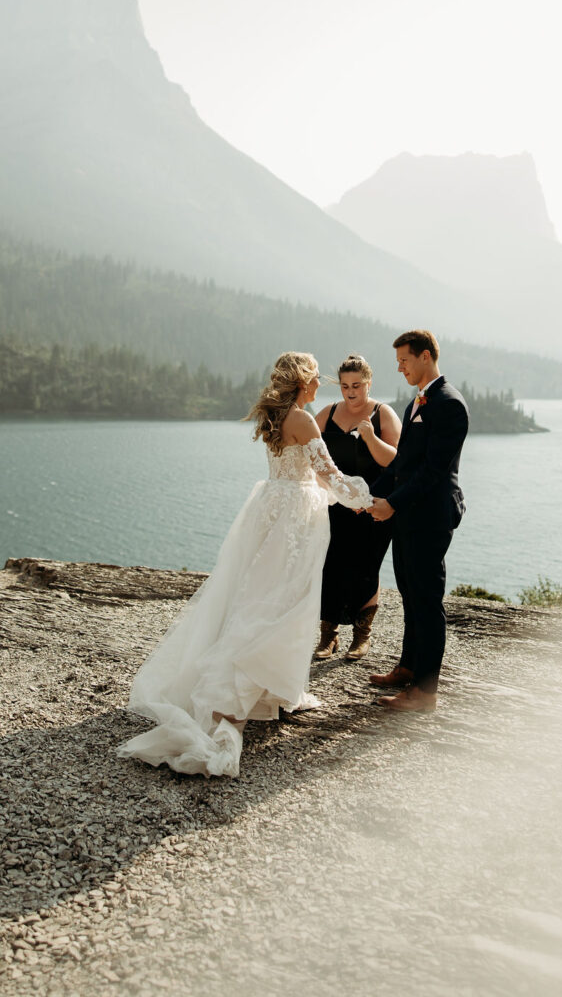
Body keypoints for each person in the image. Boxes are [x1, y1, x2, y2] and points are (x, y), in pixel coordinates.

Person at [117, 352, 372, 777]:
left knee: (258, 592)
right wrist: (368, 501)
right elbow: (330, 476)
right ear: (302, 382)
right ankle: (248, 688)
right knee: (284, 599)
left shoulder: (274, 416)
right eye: (316, 379)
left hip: (271, 506)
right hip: (295, 517)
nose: (320, 385)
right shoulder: (304, 420)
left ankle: (273, 687)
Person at [369, 330, 469, 712]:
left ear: (425, 356)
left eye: (404, 360)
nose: (400, 368)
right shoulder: (419, 401)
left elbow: (432, 471)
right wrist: (368, 493)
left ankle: (425, 692)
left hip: (430, 516)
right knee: (410, 595)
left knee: (427, 602)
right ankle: (408, 667)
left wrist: (391, 503)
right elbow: (401, 464)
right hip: (408, 515)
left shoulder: (450, 404)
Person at [313, 355, 402, 660]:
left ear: (368, 383)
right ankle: (329, 635)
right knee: (330, 566)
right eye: (344, 386)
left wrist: (370, 436)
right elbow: (307, 450)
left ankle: (361, 638)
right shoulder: (328, 413)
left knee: (366, 569)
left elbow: (395, 462)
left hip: (372, 507)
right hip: (335, 506)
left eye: (356, 385)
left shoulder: (382, 413)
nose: (350, 392)